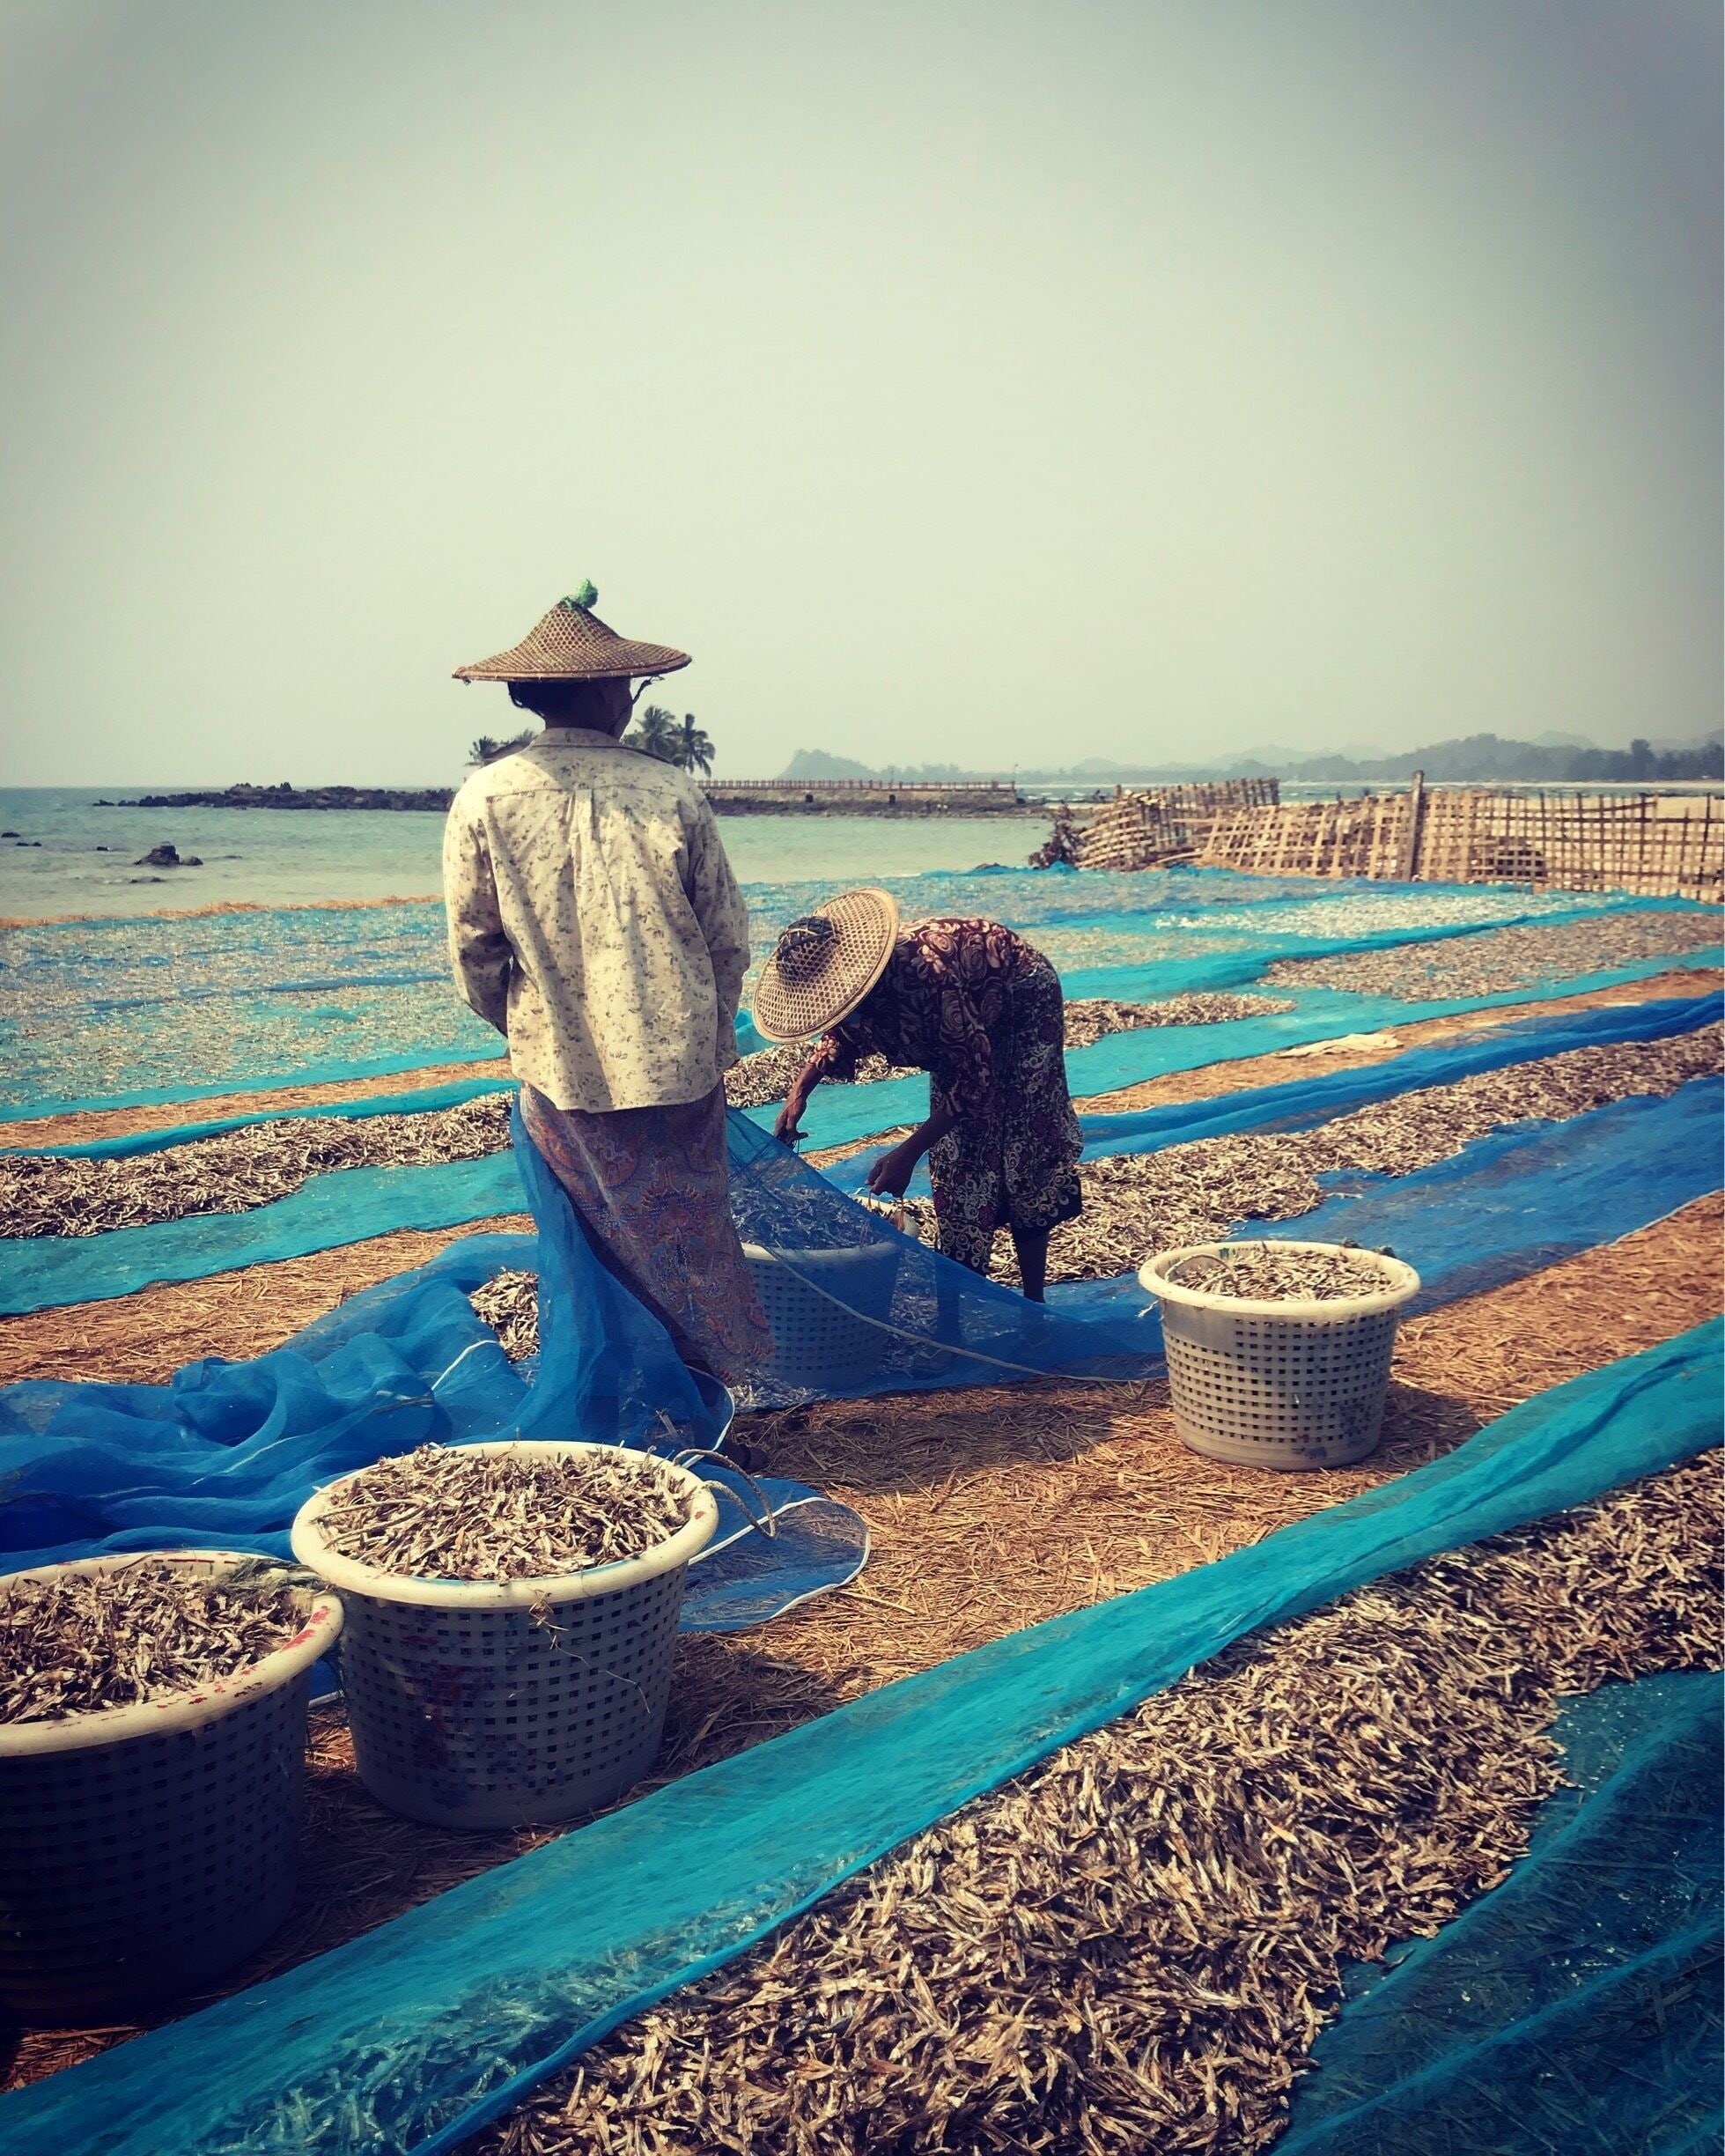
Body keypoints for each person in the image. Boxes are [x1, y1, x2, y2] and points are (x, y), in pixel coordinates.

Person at [443, 584, 769, 1384]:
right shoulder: (670, 791)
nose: (627, 698)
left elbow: (475, 953)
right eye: (622, 685)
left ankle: (628, 1397)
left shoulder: (485, 796)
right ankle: (706, 1395)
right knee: (691, 1232)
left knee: (591, 1239)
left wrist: (528, 1024)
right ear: (599, 691)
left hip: (562, 1071)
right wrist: (706, 1027)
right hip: (678, 1068)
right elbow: (725, 939)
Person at [758, 890, 1083, 1300]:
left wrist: (907, 1153)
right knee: (958, 1159)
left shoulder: (926, 977)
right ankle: (958, 1302)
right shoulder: (853, 994)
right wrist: (799, 1091)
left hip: (1022, 1001)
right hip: (963, 1021)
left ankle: (1033, 1301)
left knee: (1022, 1142)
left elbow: (974, 1080)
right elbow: (841, 1032)